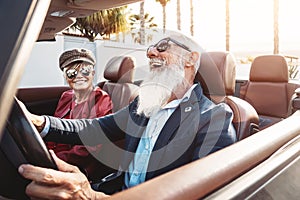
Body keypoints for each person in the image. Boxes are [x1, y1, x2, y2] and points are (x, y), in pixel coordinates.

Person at [18, 33, 237, 199]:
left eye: (162, 48)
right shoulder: (145, 104)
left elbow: (198, 194)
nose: (151, 53)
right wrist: (40, 122)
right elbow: (94, 129)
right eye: (150, 49)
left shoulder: (214, 118)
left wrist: (91, 196)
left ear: (190, 59)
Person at [46, 48, 113, 181]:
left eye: (85, 71)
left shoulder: (101, 98)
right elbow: (55, 132)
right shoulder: (66, 96)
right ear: (65, 77)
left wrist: (53, 160)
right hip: (56, 159)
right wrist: (44, 152)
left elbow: (90, 146)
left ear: (93, 73)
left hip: (79, 168)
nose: (79, 76)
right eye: (71, 73)